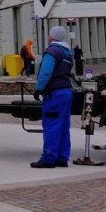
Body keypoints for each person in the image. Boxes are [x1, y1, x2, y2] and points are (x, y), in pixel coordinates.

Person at [31, 25, 75, 168]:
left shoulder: (52, 51)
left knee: (51, 125)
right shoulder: (67, 53)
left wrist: (39, 89)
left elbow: (46, 72)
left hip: (54, 93)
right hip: (66, 92)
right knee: (63, 126)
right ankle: (62, 157)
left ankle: (48, 158)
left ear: (51, 36)